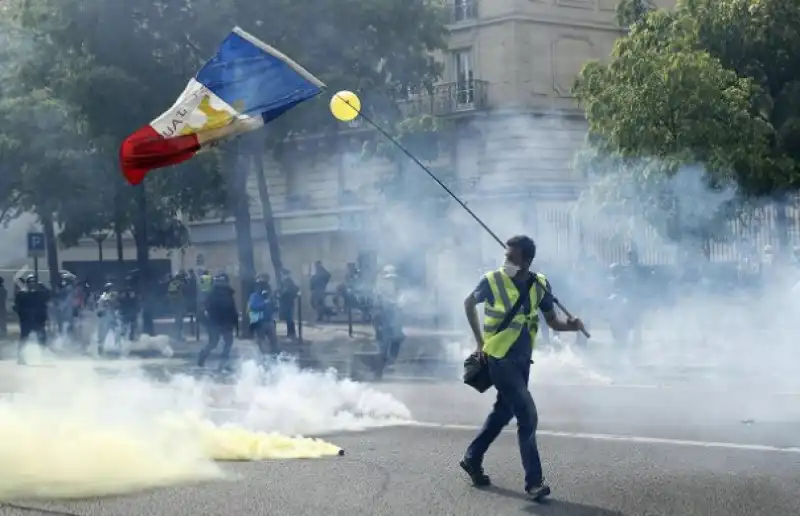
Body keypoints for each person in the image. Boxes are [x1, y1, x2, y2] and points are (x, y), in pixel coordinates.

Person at [459, 235, 584, 502]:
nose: (506, 262)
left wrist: (571, 326)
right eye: (505, 256)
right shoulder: (492, 281)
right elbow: (468, 303)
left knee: (502, 413)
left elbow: (553, 322)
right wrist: (480, 342)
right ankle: (534, 483)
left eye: (512, 258)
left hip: (522, 361)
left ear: (527, 261)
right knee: (527, 416)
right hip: (499, 359)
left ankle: (472, 457)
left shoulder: (540, 285)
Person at [198, 273, 239, 370]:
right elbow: (233, 310)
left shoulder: (211, 294)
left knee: (214, 343)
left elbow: (201, 311)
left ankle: (203, 357)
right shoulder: (227, 294)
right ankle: (222, 363)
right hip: (224, 323)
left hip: (215, 323)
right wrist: (235, 323)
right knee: (227, 343)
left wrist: (207, 324)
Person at [13, 274, 50, 364]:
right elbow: (16, 307)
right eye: (30, 282)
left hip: (38, 320)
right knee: (24, 339)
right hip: (27, 320)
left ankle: (43, 355)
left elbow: (49, 296)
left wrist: (43, 286)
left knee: (42, 338)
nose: (32, 284)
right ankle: (20, 357)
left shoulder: (40, 293)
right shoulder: (22, 294)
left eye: (34, 282)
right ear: (27, 283)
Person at [248, 276, 278, 357]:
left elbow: (274, 308)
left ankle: (275, 355)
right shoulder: (254, 296)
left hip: (269, 321)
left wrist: (275, 304)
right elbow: (253, 306)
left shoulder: (269, 296)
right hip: (259, 322)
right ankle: (260, 357)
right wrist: (265, 303)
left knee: (274, 341)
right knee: (260, 341)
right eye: (261, 285)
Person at [96, 282, 120, 355]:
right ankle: (100, 351)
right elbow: (101, 308)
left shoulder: (108, 296)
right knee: (102, 335)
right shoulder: (104, 296)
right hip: (105, 318)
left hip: (110, 317)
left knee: (117, 332)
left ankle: (117, 349)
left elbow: (114, 305)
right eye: (111, 289)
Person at [278, 269, 299, 338]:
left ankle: (291, 333)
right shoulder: (289, 281)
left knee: (289, 317)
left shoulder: (287, 281)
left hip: (286, 301)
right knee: (289, 317)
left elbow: (285, 291)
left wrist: (280, 295)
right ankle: (291, 333)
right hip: (289, 301)